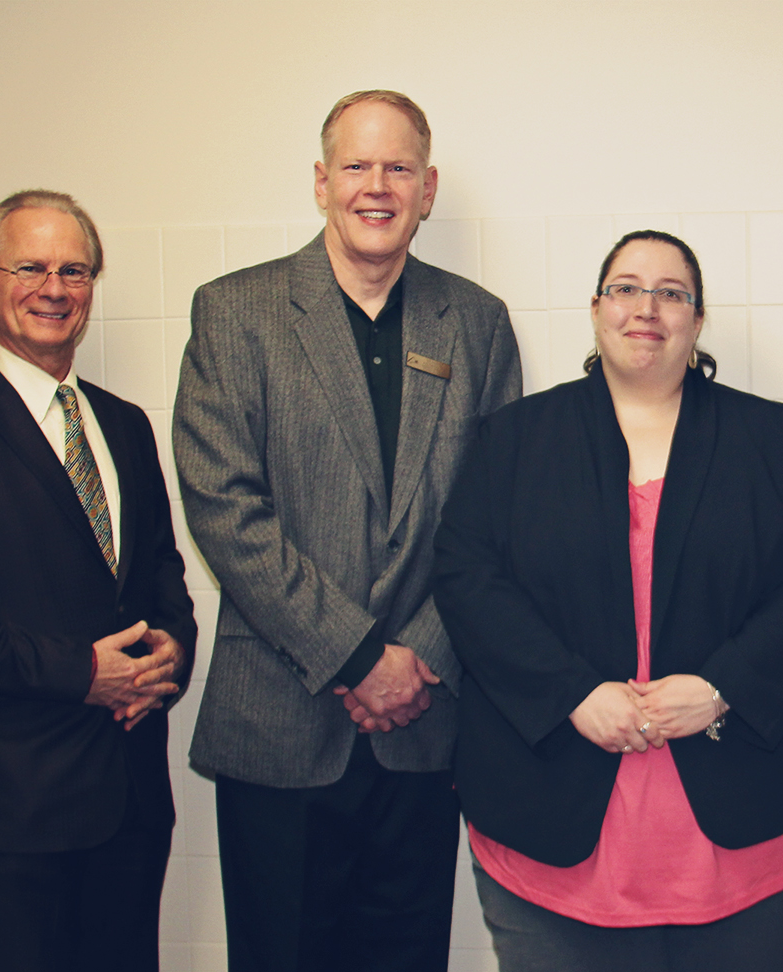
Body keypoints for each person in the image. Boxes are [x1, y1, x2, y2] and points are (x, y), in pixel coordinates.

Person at [433, 230, 783, 972]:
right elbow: (466, 575)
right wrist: (569, 693)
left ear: (698, 321)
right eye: (627, 288)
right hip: (552, 807)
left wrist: (725, 686)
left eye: (672, 292)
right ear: (596, 309)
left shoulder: (772, 437)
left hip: (746, 815)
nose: (648, 308)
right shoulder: (514, 439)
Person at [173, 90, 520, 971]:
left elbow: (498, 515)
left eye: (398, 167)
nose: (378, 186)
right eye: (357, 166)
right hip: (281, 722)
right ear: (321, 182)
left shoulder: (476, 324)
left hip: (422, 723)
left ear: (428, 188)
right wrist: (360, 656)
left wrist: (416, 658)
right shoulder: (235, 311)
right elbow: (224, 506)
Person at [0, 189, 196, 972]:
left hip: (130, 792)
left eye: (76, 270)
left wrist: (171, 653)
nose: (55, 289)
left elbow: (159, 568)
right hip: (17, 800)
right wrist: (80, 672)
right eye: (31, 267)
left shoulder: (124, 423)